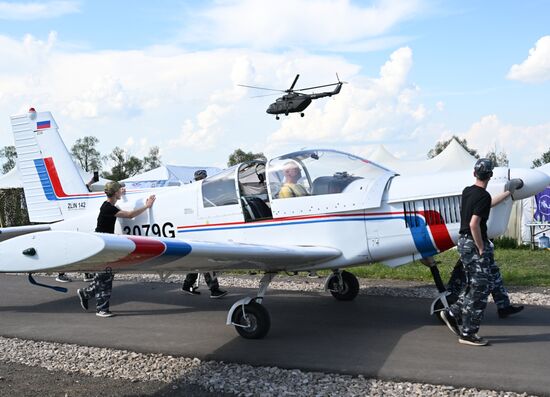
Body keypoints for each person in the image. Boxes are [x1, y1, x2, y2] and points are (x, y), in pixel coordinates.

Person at [440, 159, 523, 346]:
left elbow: (487, 204)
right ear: (490, 175)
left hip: (464, 242)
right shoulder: (482, 196)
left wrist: (508, 192)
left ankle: (454, 312)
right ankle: (468, 333)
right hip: (473, 243)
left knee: (479, 283)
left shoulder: (468, 192)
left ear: (474, 173)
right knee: (480, 288)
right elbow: (474, 224)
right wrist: (481, 246)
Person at [77, 181, 156, 317]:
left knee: (103, 277)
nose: (122, 191)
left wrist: (121, 195)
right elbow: (130, 215)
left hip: (104, 244)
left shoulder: (109, 205)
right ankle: (101, 309)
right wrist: (147, 206)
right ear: (114, 193)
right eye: (120, 190)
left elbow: (117, 205)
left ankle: (86, 293)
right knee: (106, 278)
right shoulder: (109, 208)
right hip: (103, 246)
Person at [182, 170, 228, 299]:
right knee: (207, 260)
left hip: (197, 227)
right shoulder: (198, 193)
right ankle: (214, 289)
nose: (201, 180)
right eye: (200, 178)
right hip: (197, 227)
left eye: (202, 178)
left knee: (196, 261)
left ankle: (187, 285)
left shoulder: (199, 192)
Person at [446, 256, 524, 319]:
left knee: (493, 273)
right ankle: (453, 309)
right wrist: (480, 247)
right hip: (475, 248)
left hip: (484, 247)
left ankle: (503, 306)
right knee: (476, 282)